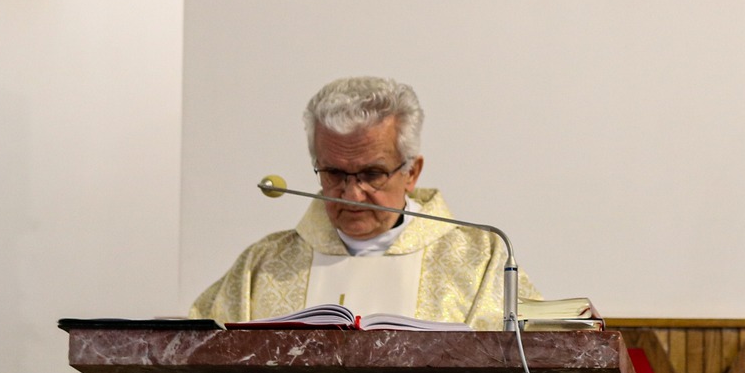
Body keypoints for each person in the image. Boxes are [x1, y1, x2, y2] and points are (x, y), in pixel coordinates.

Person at [190, 77, 537, 325]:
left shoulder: (481, 261)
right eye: (334, 173)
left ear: (412, 172)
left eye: (372, 174)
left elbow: (541, 360)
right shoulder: (262, 267)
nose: (353, 194)